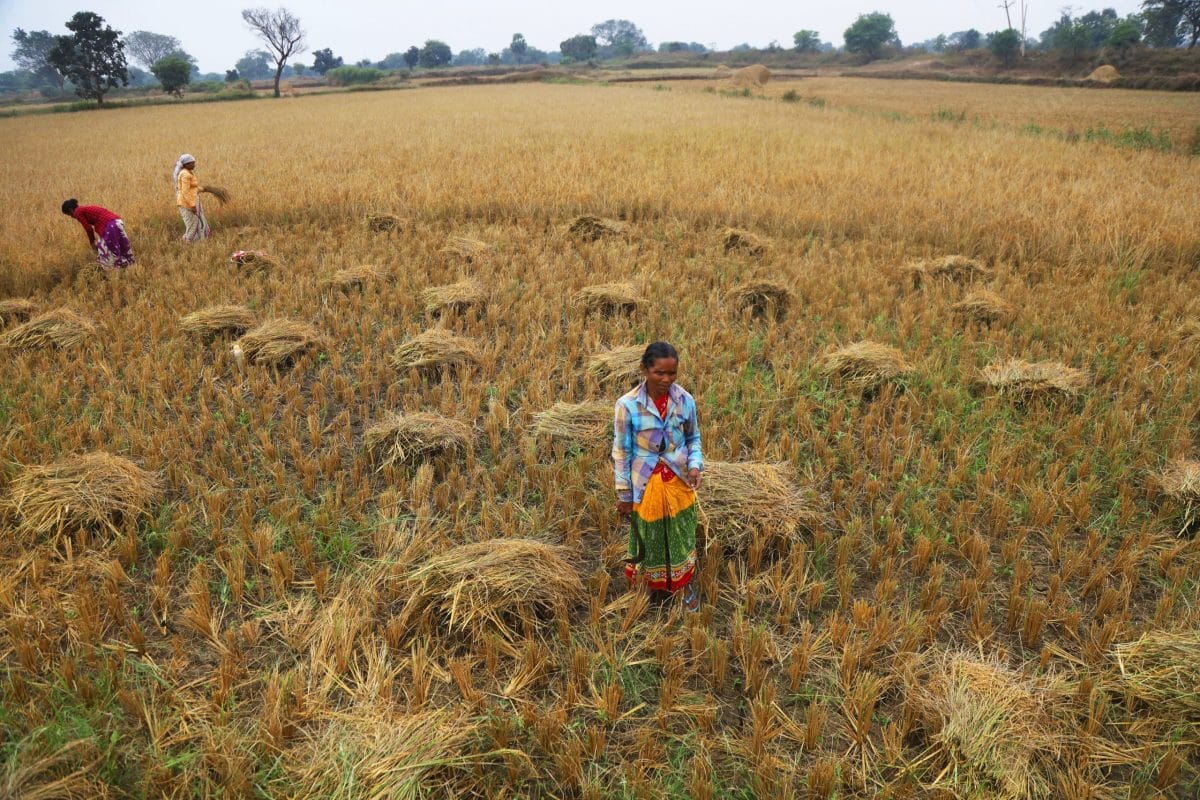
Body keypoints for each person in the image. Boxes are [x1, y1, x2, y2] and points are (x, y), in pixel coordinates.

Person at [612, 341, 705, 611]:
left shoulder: (685, 400)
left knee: (681, 534)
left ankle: (684, 584)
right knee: (649, 536)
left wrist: (695, 466)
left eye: (672, 373)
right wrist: (624, 495)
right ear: (644, 369)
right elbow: (621, 452)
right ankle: (651, 589)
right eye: (659, 373)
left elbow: (693, 438)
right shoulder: (627, 406)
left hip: (678, 481)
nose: (666, 380)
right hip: (645, 482)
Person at [61, 199, 135, 269]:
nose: (72, 217)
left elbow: (88, 228)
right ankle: (128, 267)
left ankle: (114, 271)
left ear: (70, 210)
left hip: (109, 225)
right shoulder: (84, 209)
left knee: (105, 250)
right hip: (117, 222)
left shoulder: (78, 211)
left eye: (70, 215)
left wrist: (92, 242)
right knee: (121, 245)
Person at [174, 153, 211, 242]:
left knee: (199, 223)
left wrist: (204, 189)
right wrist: (192, 205)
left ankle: (200, 242)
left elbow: (192, 188)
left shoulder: (188, 173)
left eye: (194, 163)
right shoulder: (185, 175)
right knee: (192, 225)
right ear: (186, 164)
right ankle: (187, 244)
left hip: (192, 201)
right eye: (192, 163)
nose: (194, 165)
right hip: (187, 204)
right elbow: (185, 192)